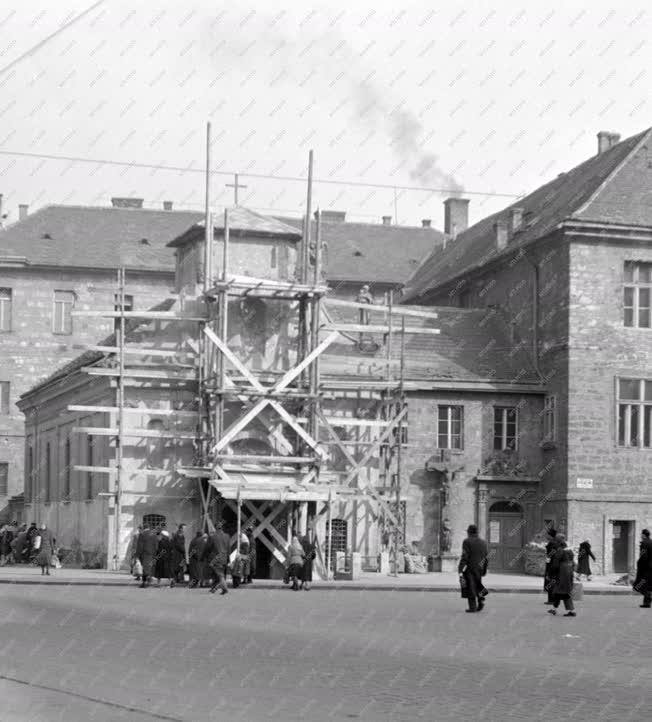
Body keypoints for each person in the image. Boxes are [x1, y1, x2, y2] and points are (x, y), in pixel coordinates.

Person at [457, 524, 489, 613]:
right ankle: (481, 599)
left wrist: (460, 569)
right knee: (478, 584)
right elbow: (486, 557)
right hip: (480, 567)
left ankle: (473, 607)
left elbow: (465, 556)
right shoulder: (483, 542)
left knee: (470, 586)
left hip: (470, 567)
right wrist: (484, 569)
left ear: (469, 532)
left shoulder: (467, 541)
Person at [547, 534, 576, 617]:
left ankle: (570, 611)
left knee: (560, 591)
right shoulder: (569, 549)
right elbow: (573, 562)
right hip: (569, 572)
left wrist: (550, 574)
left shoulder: (560, 550)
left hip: (562, 573)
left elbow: (555, 564)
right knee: (562, 592)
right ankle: (555, 609)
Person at [204, 521, 230, 595]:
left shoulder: (212, 536)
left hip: (215, 559)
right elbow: (228, 549)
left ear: (215, 528)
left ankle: (224, 589)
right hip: (223, 558)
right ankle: (214, 588)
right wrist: (228, 559)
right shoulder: (227, 536)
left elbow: (207, 548)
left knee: (219, 575)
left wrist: (204, 556)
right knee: (217, 574)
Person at [633, 528, 652, 608]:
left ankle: (648, 598)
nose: (641, 535)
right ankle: (646, 603)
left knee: (639, 585)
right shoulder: (651, 542)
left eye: (641, 534)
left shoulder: (644, 544)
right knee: (647, 584)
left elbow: (643, 555)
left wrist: (639, 563)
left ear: (643, 535)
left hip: (645, 568)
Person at [136, 524, 159, 588]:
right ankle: (148, 580)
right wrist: (155, 553)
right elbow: (156, 545)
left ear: (144, 528)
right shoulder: (154, 534)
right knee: (150, 567)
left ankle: (144, 582)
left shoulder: (142, 534)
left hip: (145, 553)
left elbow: (140, 546)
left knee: (145, 568)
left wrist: (137, 555)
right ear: (149, 527)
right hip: (152, 553)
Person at [543, 528, 560, 605]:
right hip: (552, 564)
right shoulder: (554, 542)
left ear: (550, 535)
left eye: (547, 534)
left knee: (550, 580)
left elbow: (552, 554)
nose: (546, 536)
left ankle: (551, 600)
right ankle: (551, 599)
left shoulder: (552, 543)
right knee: (551, 581)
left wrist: (548, 558)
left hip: (551, 565)